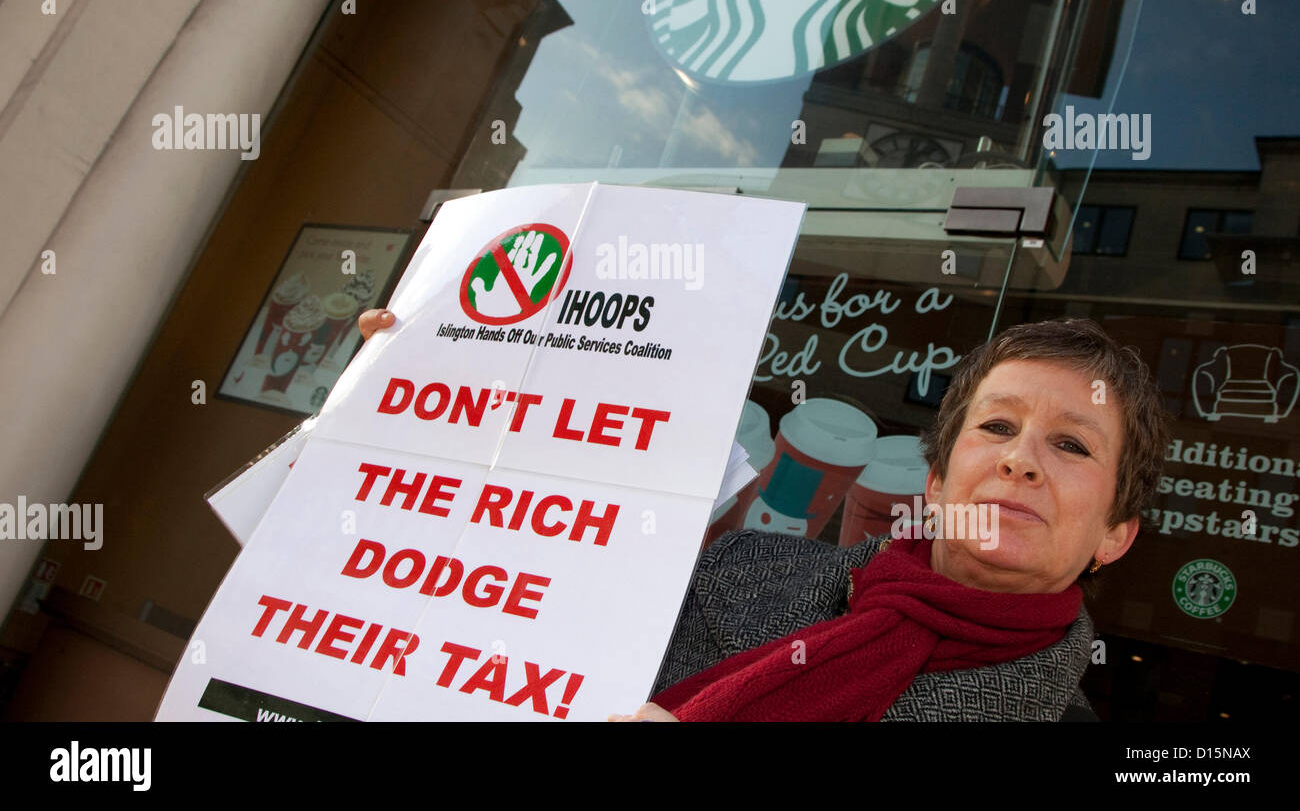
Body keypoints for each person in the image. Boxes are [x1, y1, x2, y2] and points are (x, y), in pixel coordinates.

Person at [357, 311, 1169, 721]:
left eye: (1071, 445)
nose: (1020, 458)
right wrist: (436, 402)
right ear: (934, 479)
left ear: (1115, 534)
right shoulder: (737, 570)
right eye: (995, 426)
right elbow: (498, 600)